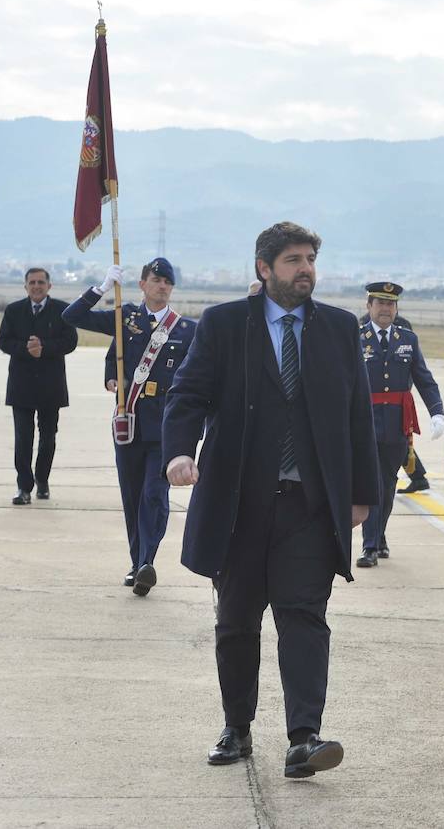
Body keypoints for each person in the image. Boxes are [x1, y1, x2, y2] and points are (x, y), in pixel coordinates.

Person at [163, 222, 381, 780]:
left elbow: (357, 414)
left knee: (304, 616)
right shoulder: (224, 324)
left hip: (308, 505)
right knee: (237, 621)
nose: (305, 269)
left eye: (310, 259)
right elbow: (187, 395)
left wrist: (362, 494)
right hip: (239, 504)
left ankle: (304, 738)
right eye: (293, 260)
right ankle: (236, 728)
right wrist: (179, 452)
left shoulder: (338, 328)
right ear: (264, 268)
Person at [63, 258, 196, 595]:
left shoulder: (185, 329)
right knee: (133, 495)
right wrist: (101, 288)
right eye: (157, 280)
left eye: (168, 282)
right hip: (130, 421)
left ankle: (147, 560)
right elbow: (72, 317)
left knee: (154, 493)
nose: (162, 286)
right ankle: (137, 564)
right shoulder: (127, 318)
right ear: (142, 284)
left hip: (166, 424)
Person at [357, 281, 444, 567]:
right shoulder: (356, 338)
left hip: (397, 426)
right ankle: (370, 546)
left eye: (390, 304)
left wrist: (437, 412)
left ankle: (379, 535)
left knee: (388, 484)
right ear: (369, 306)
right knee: (372, 483)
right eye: (380, 303)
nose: (386, 308)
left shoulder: (407, 339)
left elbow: (424, 379)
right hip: (365, 423)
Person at [0, 267, 79, 504]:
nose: (36, 286)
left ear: (49, 286)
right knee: (23, 439)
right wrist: (26, 349)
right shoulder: (13, 310)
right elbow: (3, 340)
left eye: (41, 282)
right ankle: (24, 487)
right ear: (25, 286)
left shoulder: (62, 310)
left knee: (48, 437)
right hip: (21, 385)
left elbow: (70, 341)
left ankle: (42, 479)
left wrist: (44, 348)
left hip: (50, 385)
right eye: (32, 282)